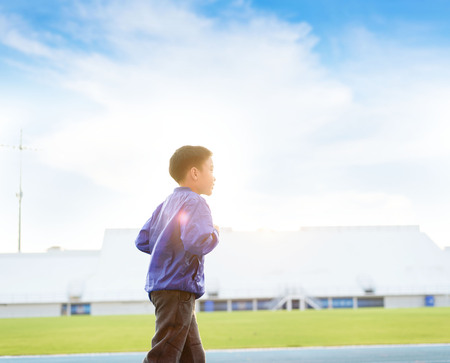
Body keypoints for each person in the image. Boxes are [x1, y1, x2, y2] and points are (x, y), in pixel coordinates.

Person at [135, 145, 220, 363]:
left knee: (193, 357)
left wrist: (168, 247)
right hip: (178, 289)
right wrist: (215, 234)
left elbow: (143, 240)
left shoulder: (165, 205)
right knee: (163, 355)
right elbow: (196, 243)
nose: (214, 176)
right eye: (211, 169)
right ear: (194, 172)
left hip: (163, 288)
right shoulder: (196, 202)